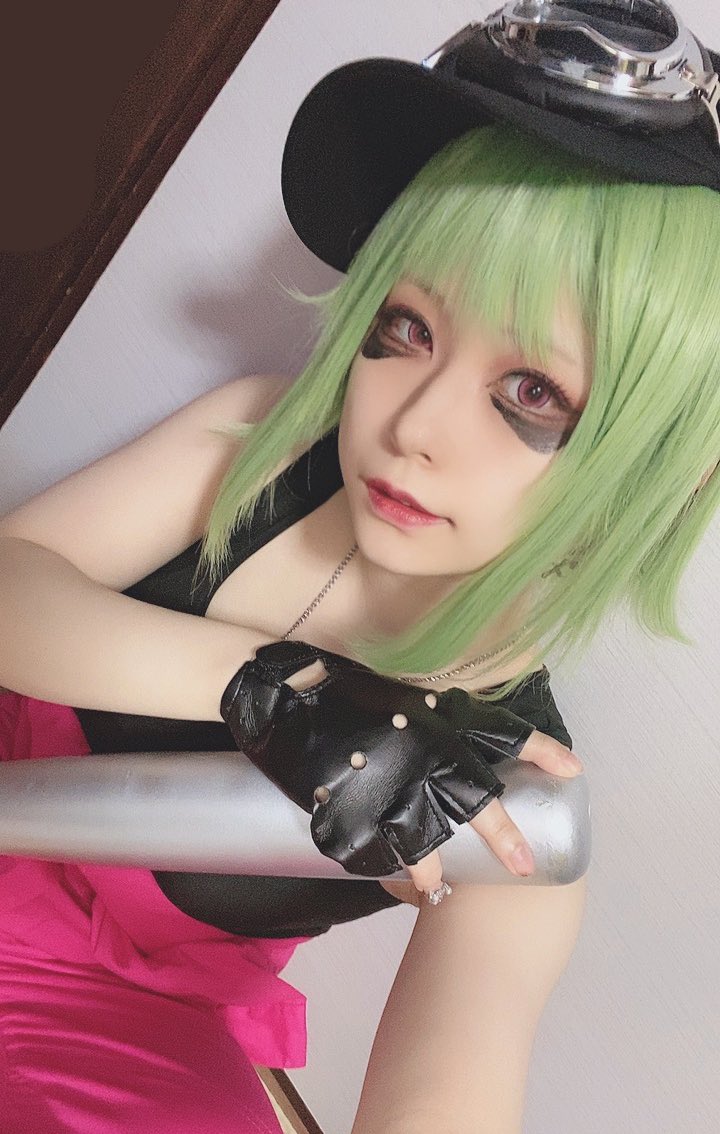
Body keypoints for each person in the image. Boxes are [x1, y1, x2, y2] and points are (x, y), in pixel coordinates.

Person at [1, 1, 719, 1131]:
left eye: (532, 392)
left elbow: (450, 1091)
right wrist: (275, 691)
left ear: (649, 458)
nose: (412, 423)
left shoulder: (512, 803)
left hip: (110, 1015)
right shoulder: (262, 439)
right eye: (407, 327)